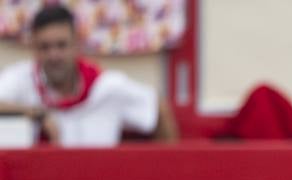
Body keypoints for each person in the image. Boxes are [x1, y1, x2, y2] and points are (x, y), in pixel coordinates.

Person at [0, 3, 176, 147]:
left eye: (61, 45)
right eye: (45, 47)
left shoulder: (107, 87)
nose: (53, 55)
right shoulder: (22, 80)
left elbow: (157, 108)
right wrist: (38, 114)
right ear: (34, 48)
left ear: (76, 44)